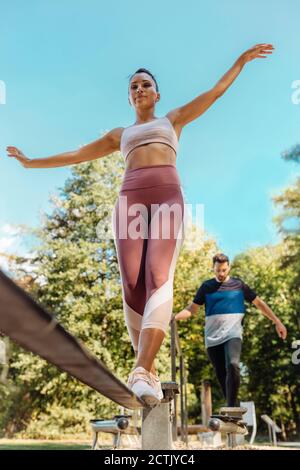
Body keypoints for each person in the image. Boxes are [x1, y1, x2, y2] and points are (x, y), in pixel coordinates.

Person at [6, 43, 275, 405]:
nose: (139, 90)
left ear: (157, 93)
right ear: (129, 97)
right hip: (129, 202)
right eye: (133, 87)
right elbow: (77, 154)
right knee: (132, 285)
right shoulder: (120, 135)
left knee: (157, 276)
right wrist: (31, 162)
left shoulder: (173, 120)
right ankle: (145, 370)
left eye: (145, 84)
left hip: (167, 199)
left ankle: (140, 367)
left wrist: (240, 61)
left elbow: (214, 93)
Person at [175, 253, 287, 406]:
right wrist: (174, 317)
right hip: (212, 338)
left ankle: (231, 408)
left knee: (233, 365)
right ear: (213, 268)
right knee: (221, 374)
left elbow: (259, 303)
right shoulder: (206, 287)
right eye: (218, 270)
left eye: (224, 270)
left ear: (229, 268)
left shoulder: (239, 285)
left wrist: (277, 321)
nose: (221, 274)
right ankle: (233, 407)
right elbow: (192, 309)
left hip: (233, 334)